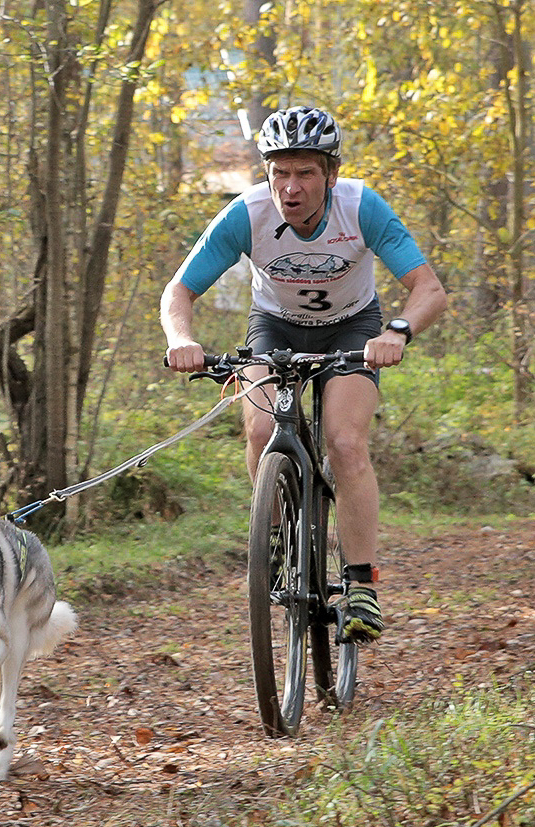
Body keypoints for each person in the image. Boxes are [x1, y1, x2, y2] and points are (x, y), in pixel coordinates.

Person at [161, 105, 448, 642]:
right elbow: (179, 291)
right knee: (260, 429)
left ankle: (361, 583)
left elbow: (429, 289)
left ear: (331, 175)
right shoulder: (246, 213)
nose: (290, 188)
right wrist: (182, 340)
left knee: (345, 442)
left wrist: (397, 332)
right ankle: (273, 535)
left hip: (351, 327)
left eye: (306, 173)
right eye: (280, 173)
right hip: (274, 325)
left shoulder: (361, 207)